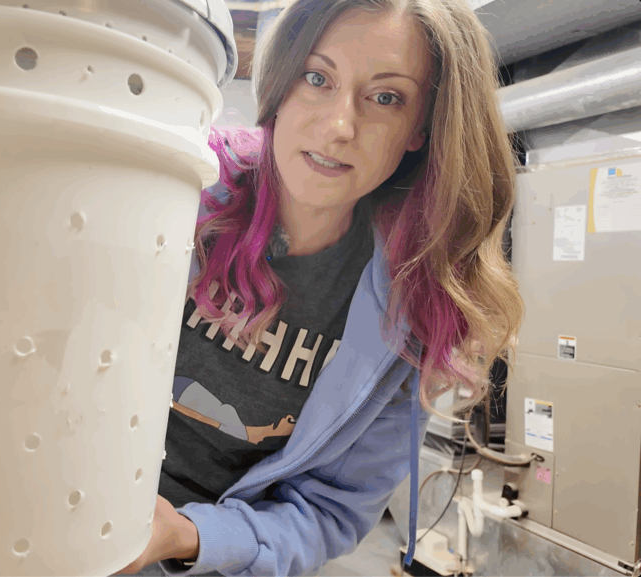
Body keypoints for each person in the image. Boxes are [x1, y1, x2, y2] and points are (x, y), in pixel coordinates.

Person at [115, 0, 524, 575]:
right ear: (281, 87)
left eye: (386, 98)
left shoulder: (414, 310)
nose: (338, 127)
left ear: (421, 130)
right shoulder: (175, 195)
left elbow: (329, 512)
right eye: (316, 78)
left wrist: (186, 537)